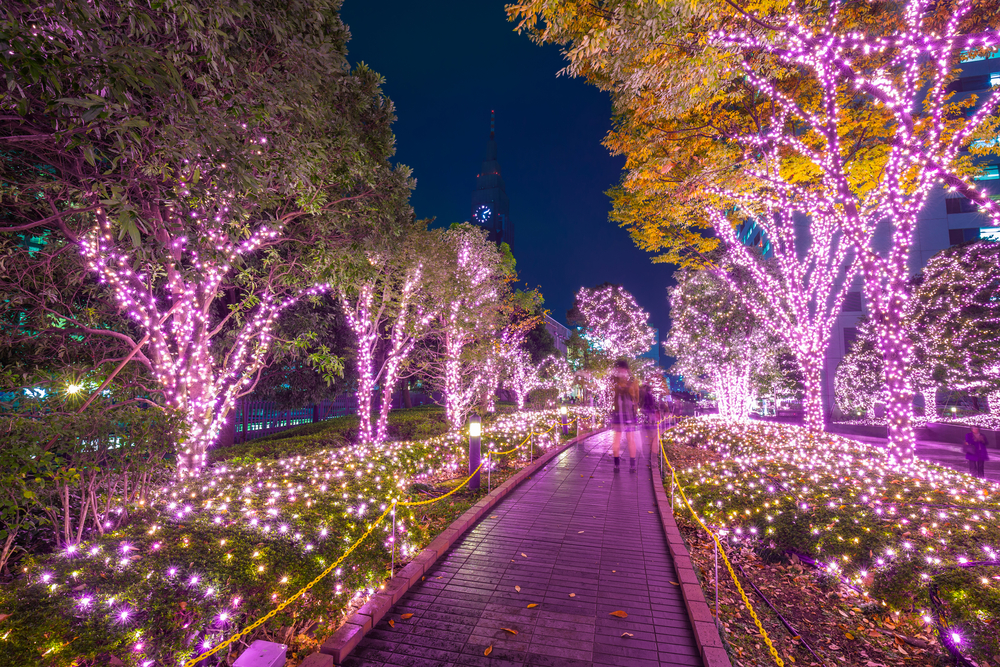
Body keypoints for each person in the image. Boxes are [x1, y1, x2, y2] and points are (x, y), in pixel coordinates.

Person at [608, 359, 639, 473]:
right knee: (630, 439)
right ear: (627, 369)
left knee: (617, 438)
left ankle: (616, 465)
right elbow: (636, 398)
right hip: (629, 413)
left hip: (617, 412)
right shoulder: (633, 381)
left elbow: (610, 396)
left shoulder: (614, 381)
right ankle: (632, 465)